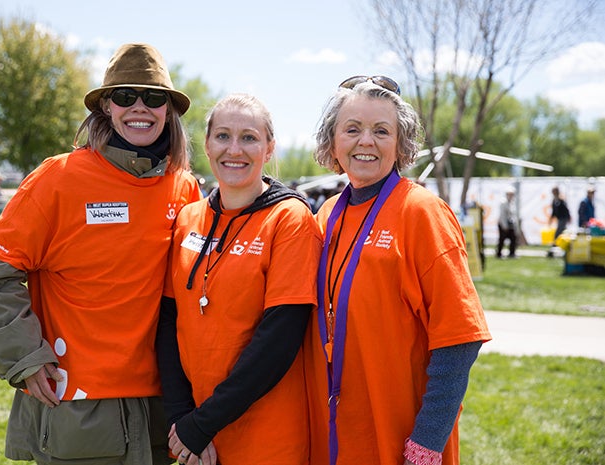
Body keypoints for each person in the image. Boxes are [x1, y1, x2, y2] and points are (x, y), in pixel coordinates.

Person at [0, 42, 202, 465]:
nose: (140, 108)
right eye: (125, 96)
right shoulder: (58, 178)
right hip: (78, 401)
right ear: (106, 107)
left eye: (153, 98)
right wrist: (26, 357)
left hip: (162, 399)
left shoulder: (183, 186)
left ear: (168, 109)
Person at [304, 76, 491, 465]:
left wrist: (425, 446)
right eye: (352, 129)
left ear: (401, 144)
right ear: (333, 141)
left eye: (381, 131)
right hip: (338, 433)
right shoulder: (324, 217)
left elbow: (459, 341)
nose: (365, 141)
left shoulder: (421, 212)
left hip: (401, 440)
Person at [156, 93, 322, 465]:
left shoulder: (290, 220)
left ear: (268, 149)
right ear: (208, 144)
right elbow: (169, 322)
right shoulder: (188, 219)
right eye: (223, 136)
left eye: (249, 137)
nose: (235, 149)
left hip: (267, 436)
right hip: (199, 437)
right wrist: (182, 418)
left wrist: (201, 424)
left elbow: (277, 343)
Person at [547, 186, 570, 256]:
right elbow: (554, 211)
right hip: (560, 218)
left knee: (558, 232)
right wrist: (551, 218)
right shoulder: (554, 200)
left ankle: (555, 245)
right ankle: (561, 245)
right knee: (563, 232)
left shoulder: (561, 200)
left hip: (563, 218)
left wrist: (568, 217)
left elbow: (566, 210)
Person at [496, 186, 518, 258]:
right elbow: (503, 215)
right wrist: (504, 226)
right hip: (503, 224)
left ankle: (512, 253)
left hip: (510, 224)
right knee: (502, 239)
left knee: (513, 238)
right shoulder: (503, 202)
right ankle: (499, 253)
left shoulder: (512, 203)